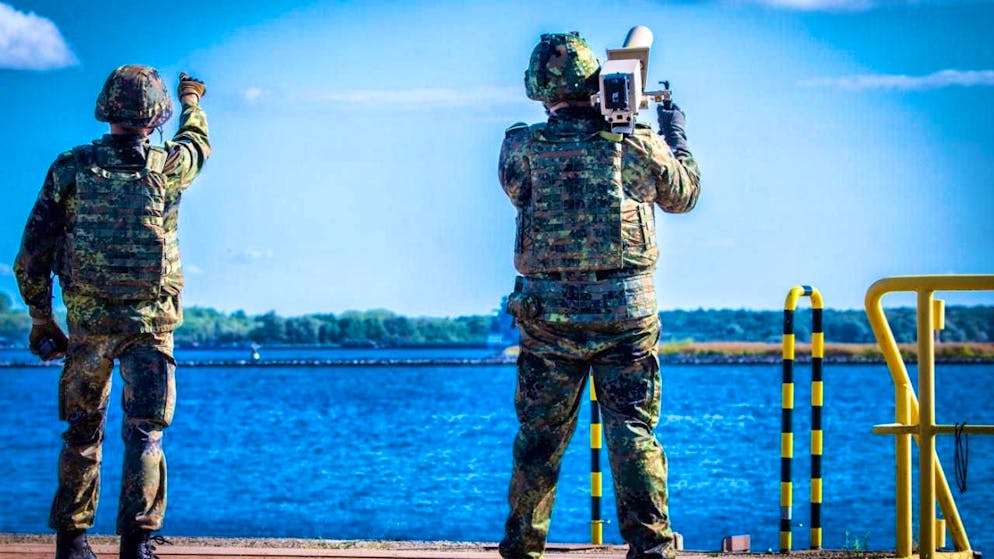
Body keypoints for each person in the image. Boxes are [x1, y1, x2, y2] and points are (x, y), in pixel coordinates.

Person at [497, 32, 700, 559]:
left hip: (548, 319)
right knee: (632, 430)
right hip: (625, 316)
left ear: (540, 92)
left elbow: (516, 185)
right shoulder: (631, 145)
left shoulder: (521, 148)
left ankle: (523, 545)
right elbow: (684, 194)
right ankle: (651, 544)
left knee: (540, 437)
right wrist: (673, 135)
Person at [13, 65, 210, 559]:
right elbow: (198, 143)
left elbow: (32, 254)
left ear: (106, 110)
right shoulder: (169, 166)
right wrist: (192, 101)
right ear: (155, 116)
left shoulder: (70, 168)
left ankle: (73, 541)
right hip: (151, 322)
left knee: (82, 432)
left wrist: (42, 317)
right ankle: (138, 544)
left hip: (90, 324)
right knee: (145, 434)